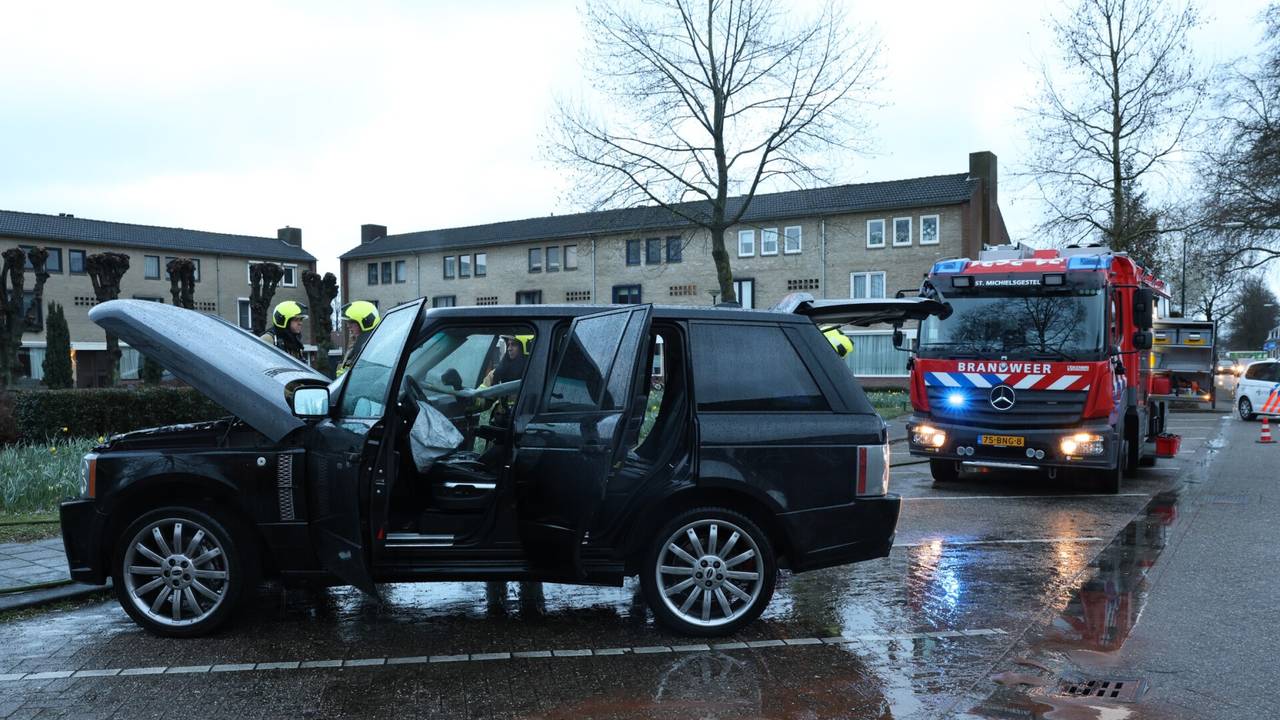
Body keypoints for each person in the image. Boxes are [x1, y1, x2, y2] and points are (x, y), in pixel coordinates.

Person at [336, 300, 381, 376]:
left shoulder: (371, 346)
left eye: (351, 322)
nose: (348, 326)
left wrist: (348, 375)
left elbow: (367, 373)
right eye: (347, 322)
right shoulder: (357, 342)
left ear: (366, 322)